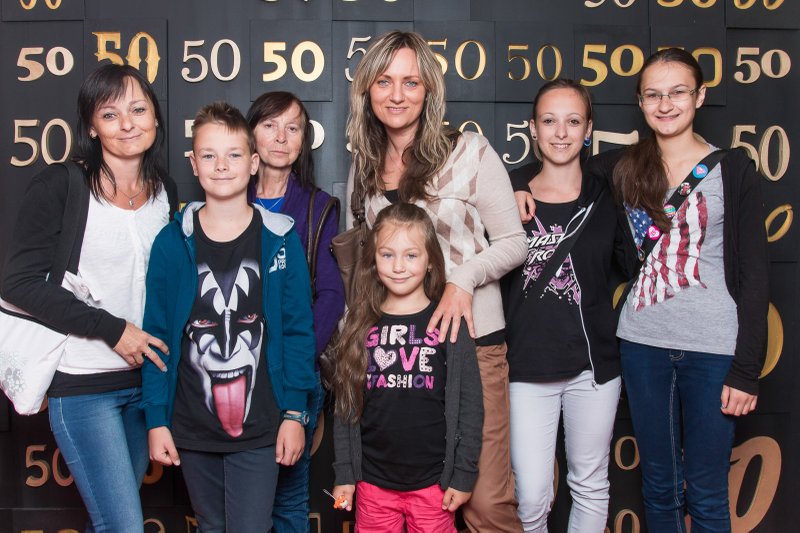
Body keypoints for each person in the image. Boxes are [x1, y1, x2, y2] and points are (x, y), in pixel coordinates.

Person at [555, 48, 764, 532]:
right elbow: (558, 167)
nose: (665, 104)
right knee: (659, 487)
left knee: (707, 492)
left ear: (700, 96)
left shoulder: (732, 169)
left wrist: (747, 371)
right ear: (640, 102)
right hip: (642, 344)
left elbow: (754, 274)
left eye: (677, 92)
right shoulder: (622, 167)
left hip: (713, 348)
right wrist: (521, 187)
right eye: (653, 95)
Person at [345, 30, 527, 532]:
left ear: (428, 90)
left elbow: (515, 242)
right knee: (404, 499)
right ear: (367, 89)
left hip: (472, 344)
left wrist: (462, 279)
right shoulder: (364, 169)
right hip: (399, 357)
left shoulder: (469, 151)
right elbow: (368, 267)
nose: (396, 95)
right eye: (384, 81)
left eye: (410, 82)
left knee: (483, 502)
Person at [0, 64, 177, 532]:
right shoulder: (63, 185)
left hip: (146, 383)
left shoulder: (164, 191)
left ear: (155, 117)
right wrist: (112, 330)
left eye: (138, 110)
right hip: (83, 385)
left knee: (118, 521)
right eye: (110, 114)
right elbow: (18, 283)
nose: (127, 124)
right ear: (92, 127)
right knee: (122, 526)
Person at [141, 101, 316, 532]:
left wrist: (295, 414)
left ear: (253, 163)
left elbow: (298, 332)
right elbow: (156, 336)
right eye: (209, 155)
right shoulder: (171, 243)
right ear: (193, 164)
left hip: (262, 427)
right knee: (210, 526)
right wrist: (157, 420)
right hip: (192, 426)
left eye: (234, 155)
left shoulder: (280, 238)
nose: (221, 166)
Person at [502, 79, 628, 532]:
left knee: (590, 484)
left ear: (588, 129)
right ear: (533, 128)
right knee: (532, 495)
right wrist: (509, 186)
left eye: (573, 121)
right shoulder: (505, 193)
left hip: (592, 369)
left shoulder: (608, 196)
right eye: (549, 121)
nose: (561, 133)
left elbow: (637, 263)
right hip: (526, 367)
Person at [330, 203, 483, 532]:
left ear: (430, 262)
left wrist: (464, 475)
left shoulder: (449, 323)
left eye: (411, 255)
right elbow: (345, 408)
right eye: (387, 255)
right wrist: (345, 475)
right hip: (372, 485)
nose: (398, 266)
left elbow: (470, 407)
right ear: (373, 260)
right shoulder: (359, 325)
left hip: (434, 486)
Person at [245, 90, 345, 532]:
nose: (281, 137)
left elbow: (331, 295)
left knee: (288, 502)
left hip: (293, 374)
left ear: (304, 139)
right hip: (234, 370)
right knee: (237, 502)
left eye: (293, 128)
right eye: (269, 125)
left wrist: (296, 364)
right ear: (251, 134)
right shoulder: (225, 196)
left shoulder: (318, 207)